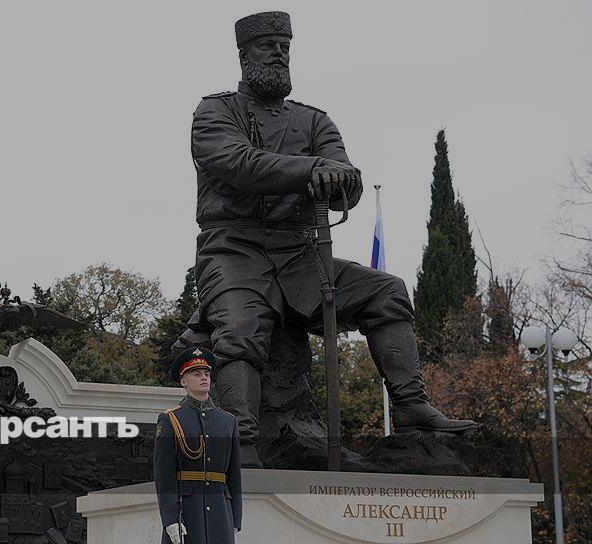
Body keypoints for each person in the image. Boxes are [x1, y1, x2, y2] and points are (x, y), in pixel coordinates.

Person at [176, 11, 475, 468]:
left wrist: (341, 183)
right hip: (234, 249)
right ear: (244, 55)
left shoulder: (313, 121)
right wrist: (313, 169)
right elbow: (240, 164)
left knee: (387, 291)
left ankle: (411, 406)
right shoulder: (215, 112)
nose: (279, 54)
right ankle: (240, 440)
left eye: (285, 47)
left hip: (299, 255)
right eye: (268, 46)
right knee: (238, 329)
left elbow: (346, 178)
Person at [154, 346, 242, 544]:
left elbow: (234, 473)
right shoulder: (171, 419)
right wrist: (170, 518)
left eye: (206, 374)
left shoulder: (228, 421)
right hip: (187, 509)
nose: (204, 378)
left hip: (221, 510)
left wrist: (236, 517)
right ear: (183, 382)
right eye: (196, 374)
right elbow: (164, 473)